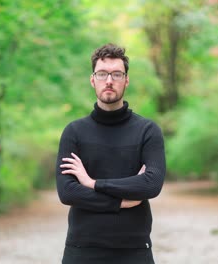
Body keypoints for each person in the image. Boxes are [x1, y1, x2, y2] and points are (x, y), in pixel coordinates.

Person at [55, 43, 166, 264]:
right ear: (92, 79)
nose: (109, 80)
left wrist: (92, 183)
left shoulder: (147, 130)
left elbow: (151, 185)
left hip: (134, 249)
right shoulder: (74, 132)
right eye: (102, 74)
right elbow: (67, 192)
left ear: (126, 80)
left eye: (116, 74)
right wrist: (122, 201)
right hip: (82, 248)